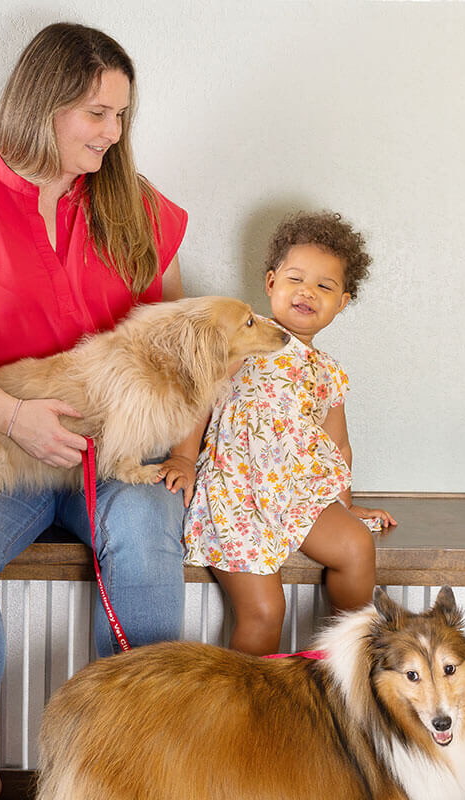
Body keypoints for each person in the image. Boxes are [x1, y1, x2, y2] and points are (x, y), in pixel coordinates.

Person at [0, 23, 195, 800]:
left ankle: (119, 774)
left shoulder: (138, 207)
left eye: (122, 115)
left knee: (151, 541)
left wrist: (184, 452)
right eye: (96, 112)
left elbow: (187, 351)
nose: (113, 133)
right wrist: (13, 417)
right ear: (43, 102)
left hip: (115, 456)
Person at [182, 211, 397, 657]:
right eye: (296, 278)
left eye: (325, 286)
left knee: (356, 544)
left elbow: (337, 445)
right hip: (237, 494)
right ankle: (247, 709)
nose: (307, 292)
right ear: (271, 283)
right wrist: (184, 460)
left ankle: (349, 656)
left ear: (342, 302)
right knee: (264, 612)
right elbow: (196, 400)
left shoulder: (328, 372)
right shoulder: (244, 339)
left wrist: (345, 504)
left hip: (296, 494)